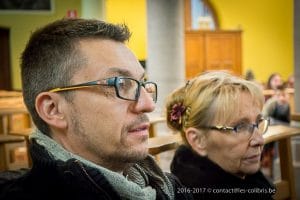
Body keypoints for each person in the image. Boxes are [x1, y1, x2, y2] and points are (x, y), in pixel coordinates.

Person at [0, 18, 190, 200]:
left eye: (142, 83)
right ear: (53, 109)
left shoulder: (169, 187)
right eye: (120, 83)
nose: (148, 104)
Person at [165, 71, 275, 199]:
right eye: (240, 127)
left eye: (258, 122)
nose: (260, 140)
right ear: (198, 140)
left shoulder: (243, 176)